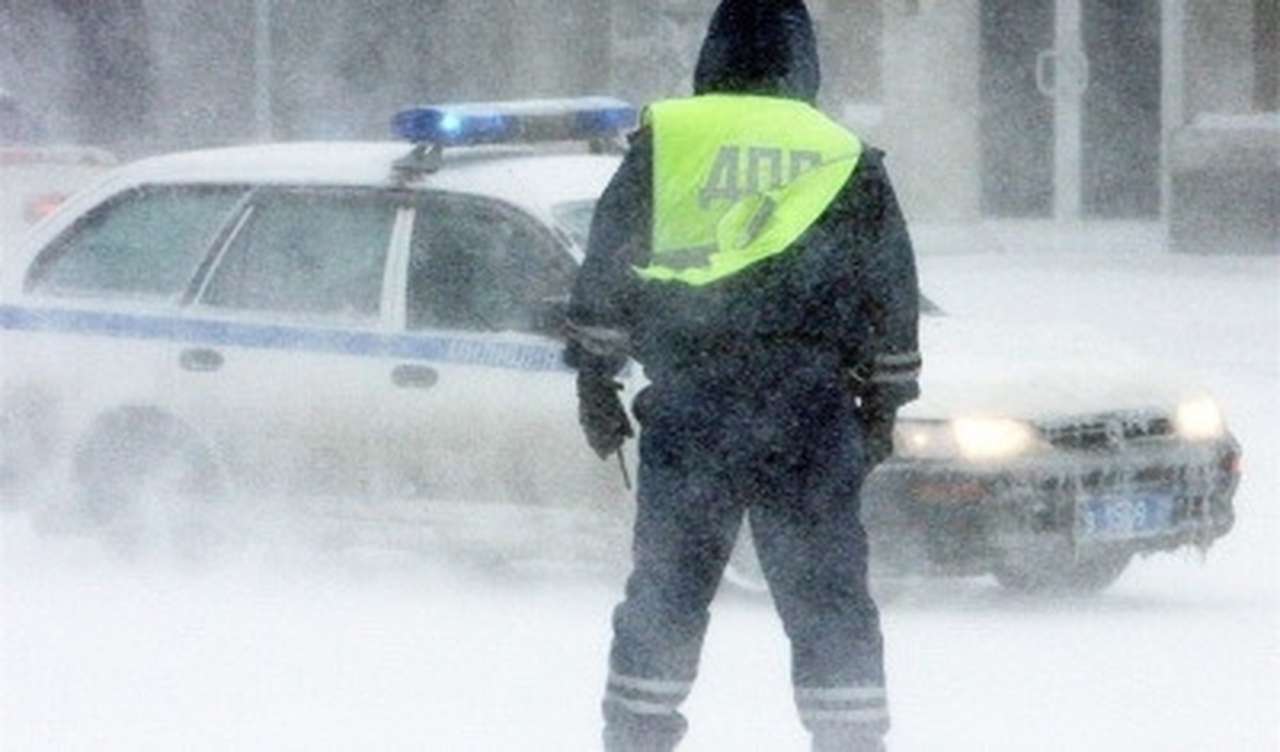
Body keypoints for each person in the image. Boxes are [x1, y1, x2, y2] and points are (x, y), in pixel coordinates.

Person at [564, 1, 921, 750]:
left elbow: (607, 267)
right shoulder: (843, 153)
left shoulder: (673, 140)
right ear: (805, 61)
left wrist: (596, 382)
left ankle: (638, 735)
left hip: (694, 408)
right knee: (828, 599)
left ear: (713, 54)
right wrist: (884, 405)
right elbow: (890, 290)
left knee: (667, 593)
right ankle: (850, 740)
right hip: (811, 413)